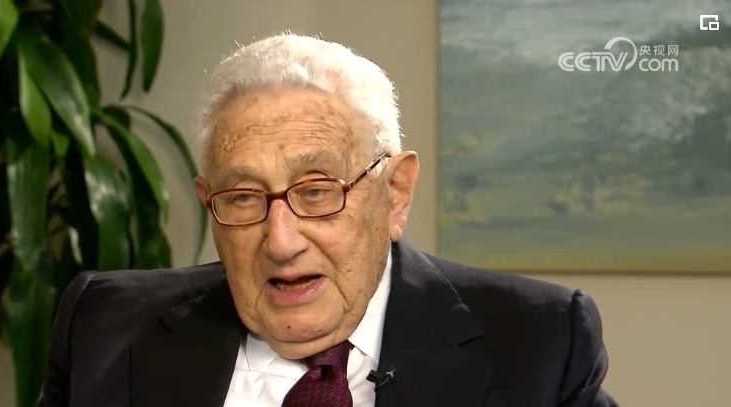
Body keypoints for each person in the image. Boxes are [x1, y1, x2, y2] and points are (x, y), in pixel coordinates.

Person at [37, 33, 618, 407]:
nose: (281, 241)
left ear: (395, 192)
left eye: (317, 192)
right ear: (208, 201)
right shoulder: (104, 326)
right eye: (243, 197)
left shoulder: (539, 346)